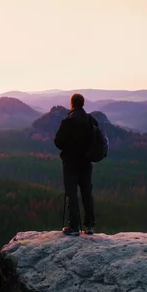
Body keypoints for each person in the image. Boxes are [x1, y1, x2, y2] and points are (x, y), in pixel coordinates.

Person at [54, 93, 97, 236]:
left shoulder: (68, 121)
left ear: (72, 104)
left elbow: (58, 141)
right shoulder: (91, 120)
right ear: (83, 104)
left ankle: (73, 227)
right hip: (86, 161)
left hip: (70, 162)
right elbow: (96, 140)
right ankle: (90, 226)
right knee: (86, 192)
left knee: (71, 193)